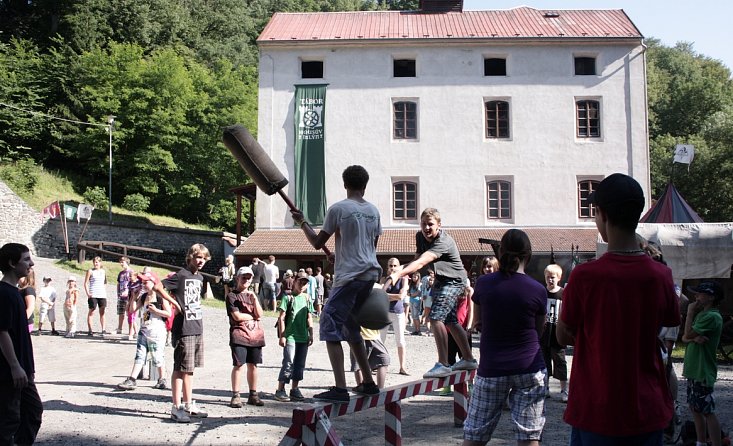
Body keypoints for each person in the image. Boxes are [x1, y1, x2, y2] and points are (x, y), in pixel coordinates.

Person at [556, 173, 680, 445]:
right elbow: (670, 318)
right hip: (646, 406)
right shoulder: (660, 275)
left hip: (597, 407)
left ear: (600, 214)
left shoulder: (585, 276)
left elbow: (563, 336)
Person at [291, 165, 382, 402]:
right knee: (351, 327)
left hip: (350, 277)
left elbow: (316, 242)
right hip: (369, 274)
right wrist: (339, 256)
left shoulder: (339, 209)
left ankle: (341, 388)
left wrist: (302, 222)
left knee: (329, 324)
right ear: (365, 184)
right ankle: (368, 383)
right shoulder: (374, 211)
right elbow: (369, 247)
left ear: (344, 184)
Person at [463, 229, 547, 446]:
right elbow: (539, 331)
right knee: (529, 436)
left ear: (500, 252)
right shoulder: (538, 289)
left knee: (474, 435)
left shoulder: (484, 283)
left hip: (493, 367)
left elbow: (479, 322)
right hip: (529, 366)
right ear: (528, 255)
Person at [388, 207, 477, 378]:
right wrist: (398, 270)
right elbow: (415, 259)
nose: (427, 228)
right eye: (423, 224)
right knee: (450, 320)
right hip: (441, 280)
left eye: (430, 224)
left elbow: (422, 263)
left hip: (455, 280)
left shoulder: (444, 241)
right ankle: (468, 359)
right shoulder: (420, 237)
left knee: (436, 317)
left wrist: (399, 273)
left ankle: (443, 363)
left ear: (439, 225)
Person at [0, 243, 43, 445]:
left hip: (23, 369)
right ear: (11, 262)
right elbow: (1, 333)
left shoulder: (15, 292)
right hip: (11, 371)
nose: (31, 264)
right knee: (9, 420)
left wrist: (27, 367)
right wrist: (15, 366)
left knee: (32, 412)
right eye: (26, 259)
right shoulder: (5, 294)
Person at [163, 243, 211, 423]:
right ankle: (176, 407)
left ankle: (189, 404)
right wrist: (173, 303)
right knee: (179, 368)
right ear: (190, 256)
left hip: (196, 326)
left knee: (189, 370)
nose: (201, 261)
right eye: (198, 257)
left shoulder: (200, 277)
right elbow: (158, 286)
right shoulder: (181, 275)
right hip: (183, 328)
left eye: (204, 258)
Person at [682, 281, 724, 446]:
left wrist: (690, 313)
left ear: (711, 297)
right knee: (695, 408)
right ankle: (700, 442)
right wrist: (690, 337)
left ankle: (715, 443)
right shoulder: (704, 315)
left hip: (702, 370)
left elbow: (686, 334)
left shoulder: (711, 317)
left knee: (707, 411)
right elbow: (685, 338)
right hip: (694, 369)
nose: (696, 296)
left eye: (700, 293)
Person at [116, 272, 172, 391]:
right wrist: (133, 297)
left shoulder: (161, 297)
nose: (143, 284)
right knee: (140, 354)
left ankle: (162, 379)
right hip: (144, 329)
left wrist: (156, 310)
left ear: (154, 283)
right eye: (142, 282)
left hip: (157, 330)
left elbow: (169, 313)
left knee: (157, 355)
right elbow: (132, 310)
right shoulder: (143, 296)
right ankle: (132, 379)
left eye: (146, 282)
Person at [226, 266, 266, 408]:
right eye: (244, 277)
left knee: (253, 365)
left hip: (255, 336)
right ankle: (236, 395)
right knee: (238, 365)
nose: (246, 280)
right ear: (237, 278)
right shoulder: (232, 296)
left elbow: (260, 314)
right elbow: (236, 316)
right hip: (239, 335)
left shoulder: (252, 296)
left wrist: (255, 299)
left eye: (249, 278)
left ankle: (253, 394)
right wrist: (252, 316)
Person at [274, 271, 314, 402]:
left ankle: (294, 389)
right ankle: (280, 389)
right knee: (288, 362)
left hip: (303, 336)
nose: (302, 285)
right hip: (290, 336)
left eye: (304, 283)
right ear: (294, 281)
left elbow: (309, 317)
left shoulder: (307, 298)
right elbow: (281, 318)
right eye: (300, 282)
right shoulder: (287, 297)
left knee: (299, 364)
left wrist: (311, 333)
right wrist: (282, 335)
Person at [540, 264, 568, 402]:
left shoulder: (563, 293)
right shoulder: (541, 292)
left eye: (552, 277)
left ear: (559, 278)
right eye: (547, 277)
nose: (550, 280)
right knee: (544, 362)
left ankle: (564, 389)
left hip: (558, 333)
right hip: (544, 333)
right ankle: (545, 388)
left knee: (560, 361)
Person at [441, 279, 474, 396]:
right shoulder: (451, 291)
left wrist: (469, 326)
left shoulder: (469, 291)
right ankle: (447, 385)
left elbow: (471, 310)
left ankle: (470, 384)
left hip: (463, 330)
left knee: (466, 358)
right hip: (449, 330)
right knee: (449, 358)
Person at [380, 258, 409, 376]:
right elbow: (381, 295)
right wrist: (395, 296)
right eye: (390, 265)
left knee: (401, 341)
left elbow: (401, 296)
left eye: (395, 265)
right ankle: (378, 365)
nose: (392, 268)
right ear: (387, 267)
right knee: (380, 340)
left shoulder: (403, 279)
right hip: (385, 312)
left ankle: (402, 367)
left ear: (398, 267)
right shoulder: (384, 279)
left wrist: (387, 295)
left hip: (398, 313)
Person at [84, 256, 108, 337]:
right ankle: (90, 329)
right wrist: (88, 293)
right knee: (92, 311)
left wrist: (104, 291)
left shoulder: (103, 271)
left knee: (102, 311)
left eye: (97, 262)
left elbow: (105, 282)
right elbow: (86, 283)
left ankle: (103, 329)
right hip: (93, 294)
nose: (95, 263)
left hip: (101, 294)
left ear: (100, 263)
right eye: (94, 262)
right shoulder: (90, 271)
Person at [116, 257, 134, 336]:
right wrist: (118, 293)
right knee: (121, 312)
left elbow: (133, 283)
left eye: (122, 262)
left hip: (128, 296)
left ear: (126, 262)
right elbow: (118, 283)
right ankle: (119, 328)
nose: (121, 264)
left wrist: (129, 292)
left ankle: (132, 330)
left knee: (129, 313)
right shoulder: (121, 273)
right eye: (120, 262)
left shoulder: (131, 272)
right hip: (121, 295)